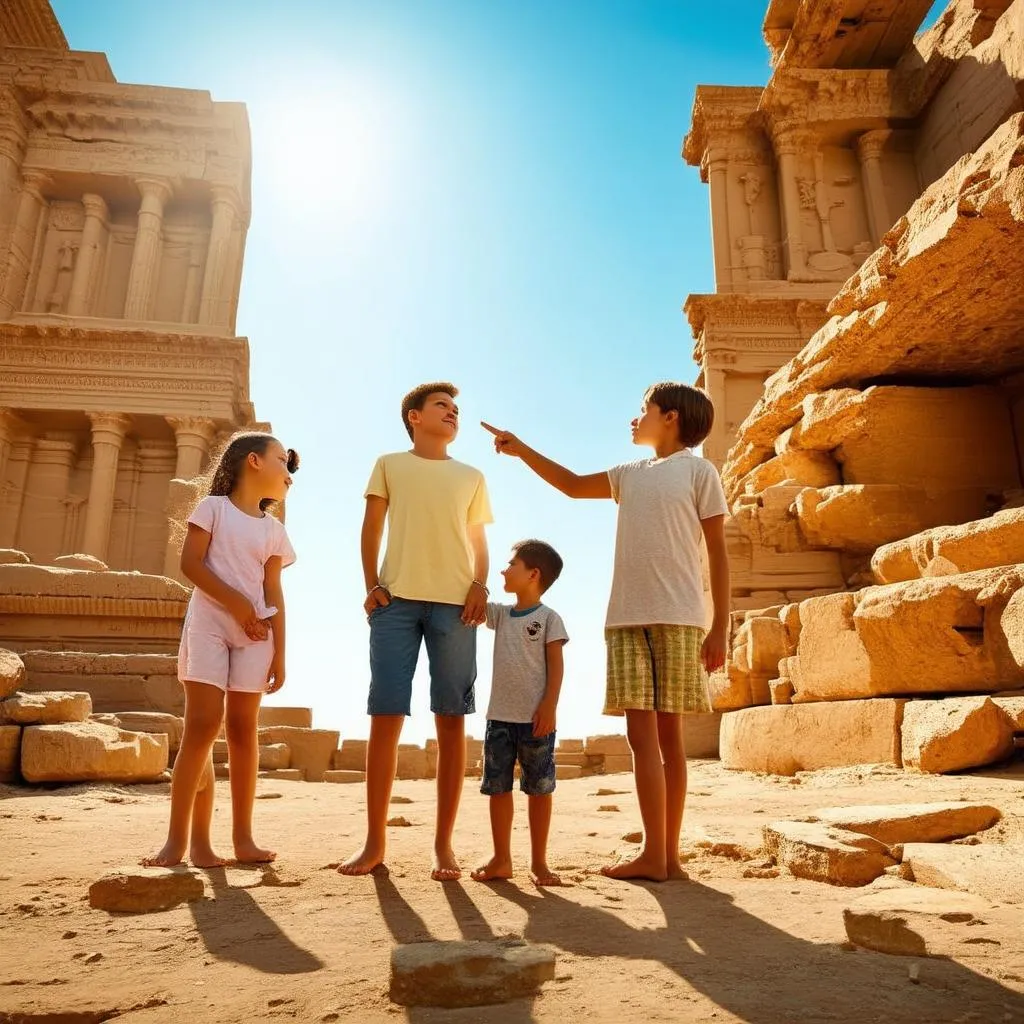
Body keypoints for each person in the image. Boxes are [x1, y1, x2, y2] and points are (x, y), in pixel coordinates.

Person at [482, 381, 729, 882]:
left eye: (644, 410)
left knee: (668, 739)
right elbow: (573, 485)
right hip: (624, 618)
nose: (634, 418)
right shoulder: (629, 474)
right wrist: (520, 447)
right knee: (643, 739)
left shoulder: (701, 472)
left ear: (672, 418)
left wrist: (719, 625)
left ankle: (665, 856)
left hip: (680, 616)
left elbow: (718, 554)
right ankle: (657, 854)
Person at [340, 382, 492, 881]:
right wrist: (371, 586)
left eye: (456, 409)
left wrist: (479, 585)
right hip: (395, 604)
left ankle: (443, 847)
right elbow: (370, 530)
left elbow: (478, 540)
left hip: (456, 607)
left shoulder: (471, 475)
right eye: (441, 406)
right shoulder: (389, 464)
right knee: (385, 717)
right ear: (414, 416)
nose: (452, 413)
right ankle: (374, 843)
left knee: (452, 720)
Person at [145, 433, 298, 868]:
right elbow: (190, 564)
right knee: (202, 726)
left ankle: (243, 840)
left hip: (256, 635)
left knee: (243, 731)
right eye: (282, 462)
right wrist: (237, 604)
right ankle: (180, 841)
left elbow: (275, 592)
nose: (289, 474)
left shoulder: (275, 531)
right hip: (210, 625)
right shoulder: (212, 509)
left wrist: (280, 653)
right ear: (253, 461)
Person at [471, 540, 568, 887]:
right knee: (498, 788)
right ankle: (502, 858)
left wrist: (549, 705)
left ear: (533, 574)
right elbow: (475, 600)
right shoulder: (499, 614)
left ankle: (539, 863)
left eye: (511, 564)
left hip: (536, 720)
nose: (502, 570)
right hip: (499, 718)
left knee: (539, 789)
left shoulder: (549, 619)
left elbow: (556, 667)